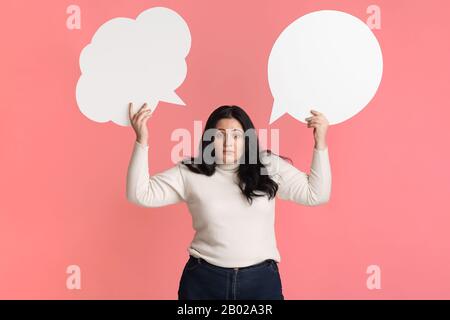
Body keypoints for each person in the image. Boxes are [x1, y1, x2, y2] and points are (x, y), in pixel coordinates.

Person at [126, 103, 331, 300]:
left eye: (236, 136)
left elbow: (316, 194)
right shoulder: (191, 172)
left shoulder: (268, 167)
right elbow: (139, 193)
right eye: (219, 135)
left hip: (260, 283)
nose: (228, 143)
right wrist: (141, 141)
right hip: (204, 282)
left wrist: (320, 143)